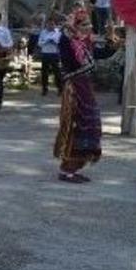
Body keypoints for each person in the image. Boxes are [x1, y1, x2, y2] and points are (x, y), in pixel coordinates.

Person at [54, 10, 102, 183]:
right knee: (75, 125)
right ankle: (67, 168)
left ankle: (76, 165)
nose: (88, 28)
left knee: (90, 123)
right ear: (75, 27)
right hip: (75, 88)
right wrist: (70, 32)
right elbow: (73, 63)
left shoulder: (82, 42)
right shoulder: (67, 41)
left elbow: (94, 61)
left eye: (89, 25)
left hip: (84, 86)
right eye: (84, 25)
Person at [37, 14, 62, 96]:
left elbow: (61, 43)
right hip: (45, 53)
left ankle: (60, 89)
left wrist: (55, 42)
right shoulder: (43, 32)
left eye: (52, 24)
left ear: (55, 24)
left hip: (55, 53)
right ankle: (44, 89)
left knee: (57, 72)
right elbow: (39, 44)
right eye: (49, 24)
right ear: (46, 24)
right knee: (44, 72)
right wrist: (46, 41)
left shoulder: (58, 33)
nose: (50, 26)